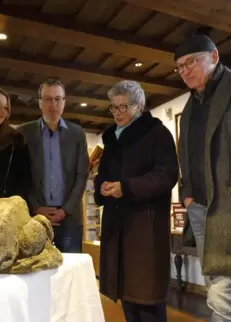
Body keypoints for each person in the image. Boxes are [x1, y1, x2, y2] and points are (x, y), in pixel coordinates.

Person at [176, 33, 231, 322]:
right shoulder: (189, 108)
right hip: (199, 210)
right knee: (217, 286)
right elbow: (186, 157)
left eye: (191, 62)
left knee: (221, 293)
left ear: (214, 57)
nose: (185, 70)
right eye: (179, 66)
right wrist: (186, 196)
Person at [94, 80, 178, 322]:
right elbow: (103, 176)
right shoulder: (111, 140)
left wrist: (126, 187)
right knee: (128, 299)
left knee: (147, 300)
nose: (118, 113)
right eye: (114, 108)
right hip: (117, 228)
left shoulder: (157, 134)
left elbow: (166, 176)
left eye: (124, 107)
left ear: (139, 106)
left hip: (144, 229)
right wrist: (104, 187)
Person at [18, 78, 89, 253]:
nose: (53, 104)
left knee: (69, 272)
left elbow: (82, 175)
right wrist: (36, 207)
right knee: (35, 272)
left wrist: (66, 210)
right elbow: (21, 175)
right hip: (35, 217)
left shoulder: (77, 134)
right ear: (40, 103)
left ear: (64, 102)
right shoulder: (23, 133)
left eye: (58, 99)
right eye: (48, 99)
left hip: (69, 219)